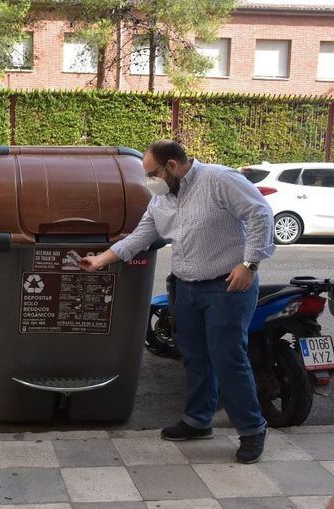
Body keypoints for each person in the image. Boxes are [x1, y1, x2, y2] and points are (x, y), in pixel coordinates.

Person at [80, 140, 275, 464]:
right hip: (186, 287)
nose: (149, 180)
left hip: (227, 285)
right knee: (194, 356)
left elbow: (260, 214)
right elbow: (141, 236)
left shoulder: (219, 180)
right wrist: (102, 260)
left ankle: (253, 429)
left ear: (172, 166)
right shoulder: (161, 198)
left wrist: (250, 264)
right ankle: (199, 420)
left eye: (152, 173)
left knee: (228, 359)